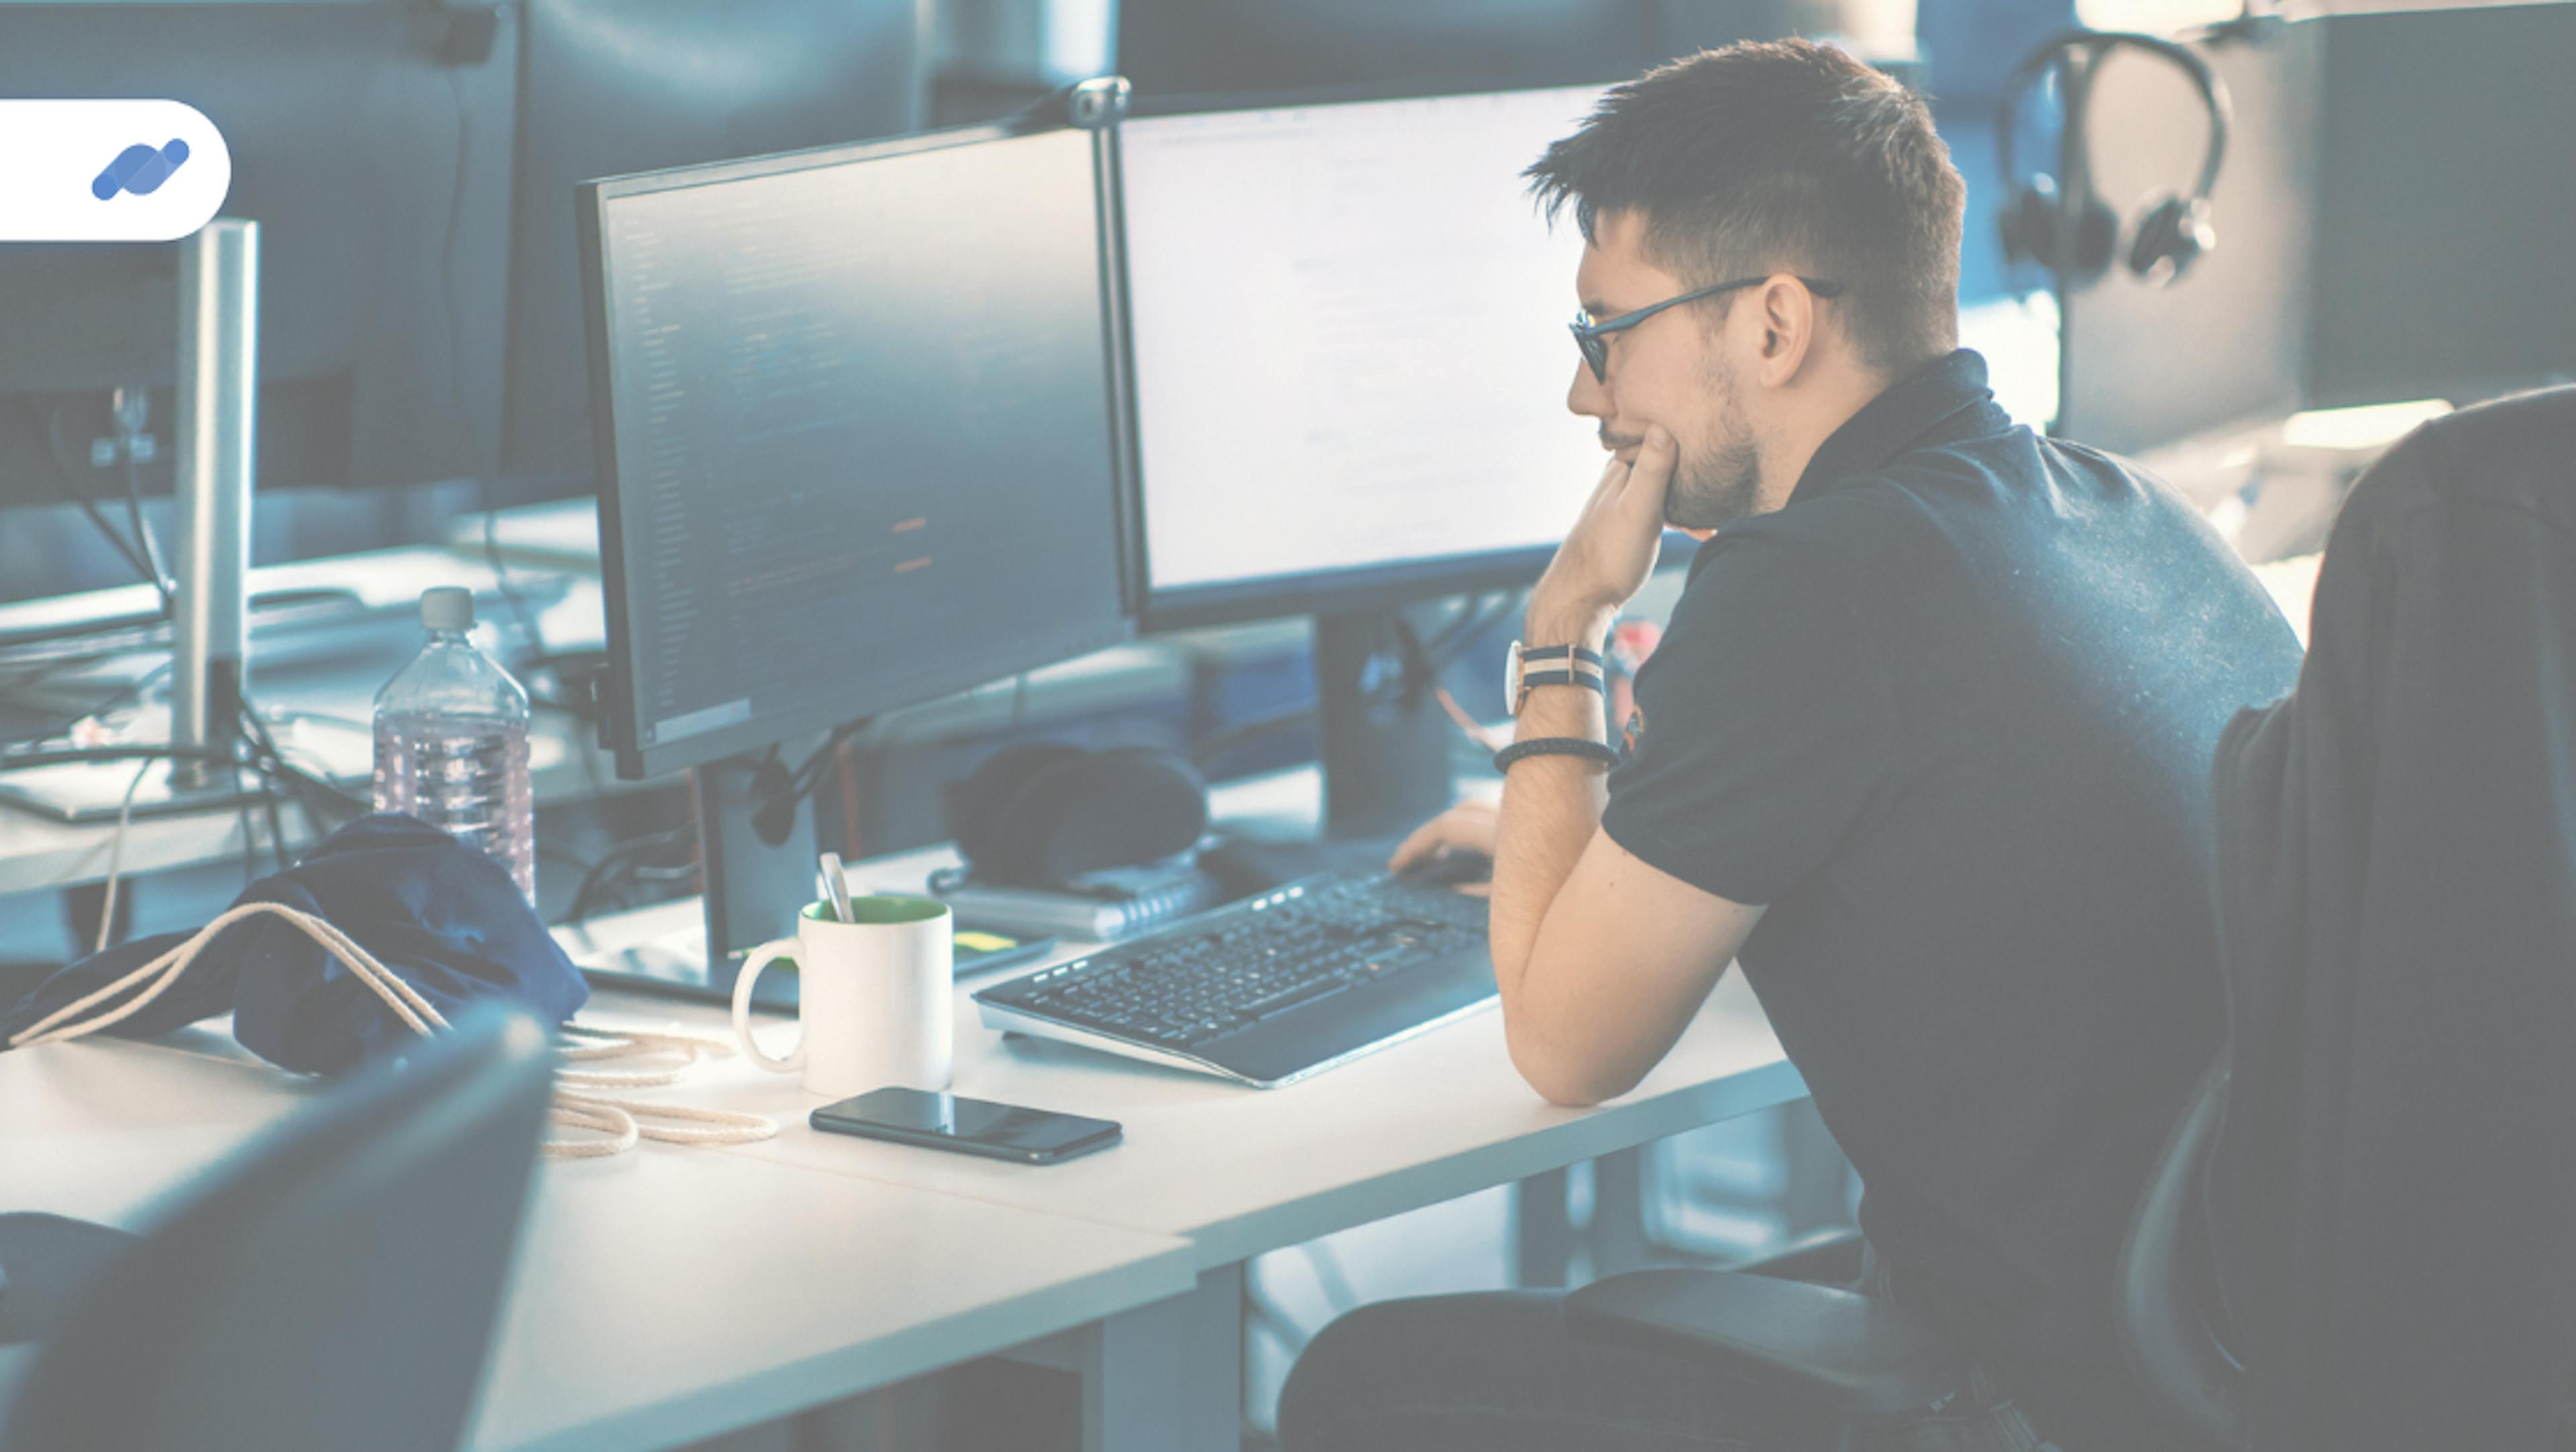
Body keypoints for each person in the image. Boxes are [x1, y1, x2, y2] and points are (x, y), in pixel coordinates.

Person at [1277, 38, 2304, 1452]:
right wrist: (1612, 833)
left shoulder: (1809, 585)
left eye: (1606, 332)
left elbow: (1566, 1041)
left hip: (2039, 1396)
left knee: (1355, 1376)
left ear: (1771, 324)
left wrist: (1568, 628)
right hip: (2233, 1349)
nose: (1588, 398)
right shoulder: (2128, 513)